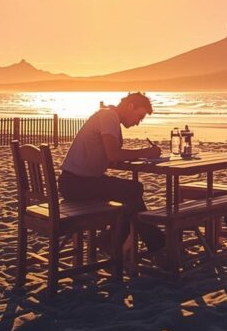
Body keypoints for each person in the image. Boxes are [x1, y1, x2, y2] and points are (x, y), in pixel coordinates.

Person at [59, 92, 165, 254]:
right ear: (130, 106)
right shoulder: (109, 117)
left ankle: (152, 242)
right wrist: (146, 152)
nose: (138, 123)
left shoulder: (108, 116)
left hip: (76, 181)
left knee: (131, 197)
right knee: (133, 190)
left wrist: (123, 156)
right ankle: (154, 243)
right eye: (139, 116)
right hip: (76, 183)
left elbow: (109, 156)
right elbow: (113, 154)